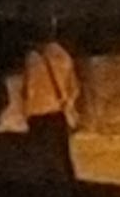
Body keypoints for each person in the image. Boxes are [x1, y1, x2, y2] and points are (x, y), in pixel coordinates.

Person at [17, 27, 87, 177]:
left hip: (35, 115)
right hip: (56, 112)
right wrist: (68, 103)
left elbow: (24, 91)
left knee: (40, 160)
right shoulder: (64, 57)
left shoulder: (31, 59)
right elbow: (75, 88)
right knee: (63, 156)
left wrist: (24, 111)